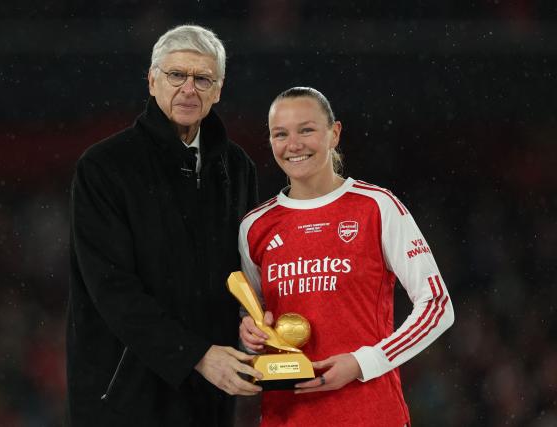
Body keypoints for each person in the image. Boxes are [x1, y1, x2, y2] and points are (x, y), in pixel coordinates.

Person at [66, 25, 262, 427]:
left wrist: (256, 326)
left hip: (210, 396)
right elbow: (112, 288)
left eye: (202, 78)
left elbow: (246, 273)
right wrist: (196, 355)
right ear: (152, 80)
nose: (189, 89)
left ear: (219, 89)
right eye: (176, 75)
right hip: (124, 396)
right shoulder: (104, 167)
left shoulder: (238, 168)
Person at [238, 87, 454, 427]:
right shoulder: (254, 227)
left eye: (306, 130)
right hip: (286, 417)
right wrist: (248, 333)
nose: (293, 144)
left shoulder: (377, 206)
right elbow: (250, 313)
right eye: (281, 134)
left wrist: (363, 362)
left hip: (369, 412)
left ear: (334, 133)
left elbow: (437, 305)